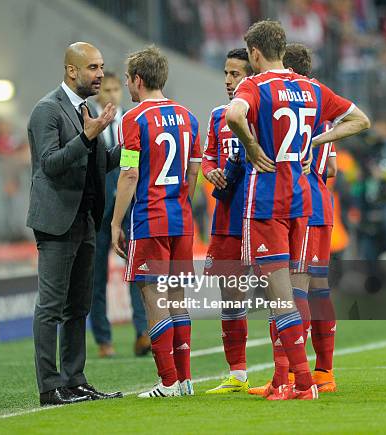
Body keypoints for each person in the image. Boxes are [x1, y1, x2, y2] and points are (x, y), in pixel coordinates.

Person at [226, 20, 370, 400]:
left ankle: (300, 383)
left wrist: (253, 149)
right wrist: (318, 138)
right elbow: (360, 119)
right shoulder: (311, 87)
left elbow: (234, 115)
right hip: (303, 202)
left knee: (281, 296)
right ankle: (304, 378)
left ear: (255, 53)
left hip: (267, 202)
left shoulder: (254, 85)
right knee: (305, 292)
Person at [26, 42, 123, 406]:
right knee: (51, 306)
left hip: (85, 219)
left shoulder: (85, 110)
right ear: (72, 71)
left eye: (101, 67)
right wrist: (89, 135)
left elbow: (98, 164)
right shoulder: (47, 110)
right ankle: (50, 387)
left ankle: (75, 380)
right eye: (93, 67)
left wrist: (132, 148)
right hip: (56, 221)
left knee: (78, 306)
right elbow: (49, 163)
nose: (100, 74)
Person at [112, 45, 202, 398]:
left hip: (150, 218)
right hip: (181, 219)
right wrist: (182, 203)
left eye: (127, 81)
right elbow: (193, 171)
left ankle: (167, 381)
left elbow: (130, 174)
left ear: (137, 79)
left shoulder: (133, 119)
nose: (128, 88)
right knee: (178, 298)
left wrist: (116, 222)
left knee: (153, 299)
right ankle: (185, 379)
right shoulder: (188, 116)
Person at [202, 48, 253, 394]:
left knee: (282, 293)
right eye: (226, 73)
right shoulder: (218, 115)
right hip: (226, 217)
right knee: (230, 295)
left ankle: (292, 370)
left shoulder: (264, 114)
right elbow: (207, 158)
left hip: (260, 214)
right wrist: (212, 173)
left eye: (235, 74)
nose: (228, 81)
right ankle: (237, 372)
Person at [89, 71, 149, 358]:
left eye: (116, 88)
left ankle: (142, 333)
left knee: (137, 270)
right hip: (98, 207)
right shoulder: (90, 122)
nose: (111, 93)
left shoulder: (131, 121)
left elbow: (132, 163)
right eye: (107, 89)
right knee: (96, 274)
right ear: (99, 92)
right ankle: (103, 339)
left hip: (128, 204)